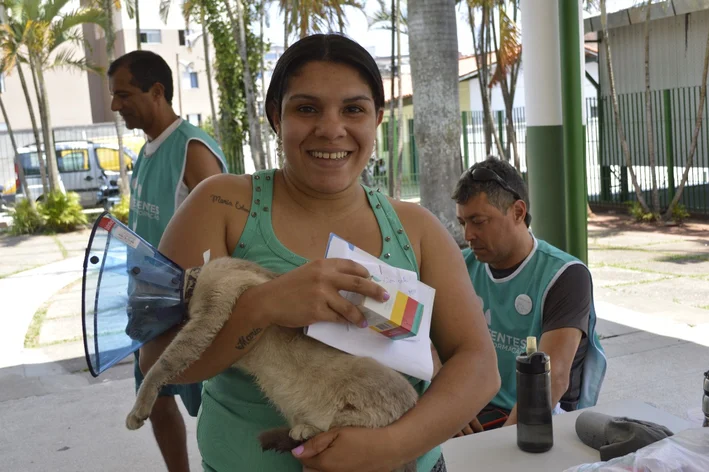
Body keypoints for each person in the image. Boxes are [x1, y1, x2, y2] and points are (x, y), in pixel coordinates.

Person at [139, 34, 500, 472]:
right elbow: (158, 362)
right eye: (307, 108)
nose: (331, 128)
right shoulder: (220, 206)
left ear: (378, 118)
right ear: (276, 116)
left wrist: (388, 447)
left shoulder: (416, 228)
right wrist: (264, 305)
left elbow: (478, 364)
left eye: (353, 109)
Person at [108, 50, 227, 472]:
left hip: (188, 311)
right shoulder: (147, 152)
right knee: (152, 396)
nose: (115, 106)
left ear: (157, 91)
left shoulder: (192, 149)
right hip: (149, 305)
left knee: (215, 402)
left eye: (123, 94)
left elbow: (228, 226)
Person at [453, 157, 607, 434]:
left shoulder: (565, 275)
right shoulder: (461, 266)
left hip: (536, 416)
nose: (468, 234)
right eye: (463, 222)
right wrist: (448, 408)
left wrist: (499, 447)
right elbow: (431, 343)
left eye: (478, 221)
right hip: (472, 407)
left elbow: (553, 380)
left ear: (518, 212)